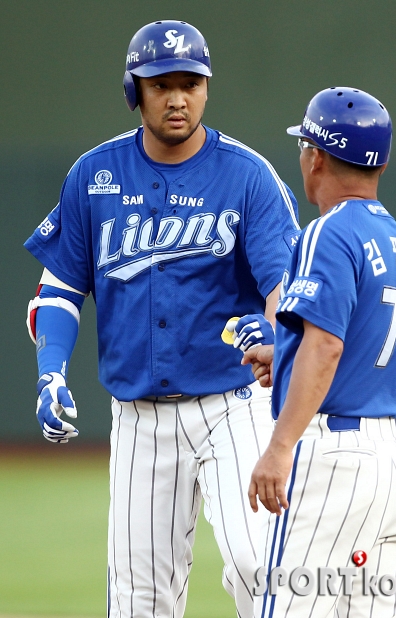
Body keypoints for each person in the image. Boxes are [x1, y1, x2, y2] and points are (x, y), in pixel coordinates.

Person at [24, 20, 300, 618]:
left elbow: (284, 282)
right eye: (161, 84)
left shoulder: (247, 175)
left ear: (206, 88)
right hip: (140, 419)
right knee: (136, 602)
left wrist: (279, 335)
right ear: (135, 91)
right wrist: (50, 372)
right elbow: (60, 290)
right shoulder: (93, 177)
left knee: (261, 564)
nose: (177, 98)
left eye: (190, 83)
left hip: (234, 407)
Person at [243, 87, 396, 617]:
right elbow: (356, 347)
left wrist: (280, 446)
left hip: (334, 460)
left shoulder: (329, 232)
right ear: (382, 162)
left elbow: (325, 346)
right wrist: (284, 358)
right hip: (394, 463)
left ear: (316, 155)